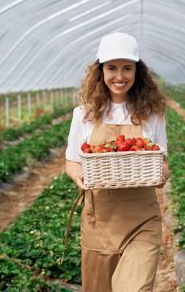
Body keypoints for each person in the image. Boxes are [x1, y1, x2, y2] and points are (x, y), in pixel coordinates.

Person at [64, 32, 169, 292]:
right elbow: (72, 161)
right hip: (101, 222)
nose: (119, 76)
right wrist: (80, 177)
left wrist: (162, 172)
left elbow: (162, 159)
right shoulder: (84, 114)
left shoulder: (152, 114)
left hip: (142, 221)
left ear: (137, 71)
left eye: (127, 68)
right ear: (100, 71)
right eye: (112, 68)